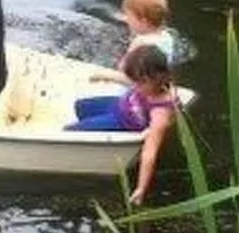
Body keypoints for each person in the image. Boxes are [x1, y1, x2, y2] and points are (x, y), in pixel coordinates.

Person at [66, 44, 178, 205]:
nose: (136, 86)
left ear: (152, 79)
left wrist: (140, 188)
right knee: (79, 106)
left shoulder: (160, 111)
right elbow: (129, 80)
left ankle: (87, 140)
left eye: (139, 83)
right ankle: (90, 125)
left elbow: (149, 153)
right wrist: (106, 75)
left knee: (70, 132)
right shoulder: (152, 84)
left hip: (122, 121)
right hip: (119, 105)